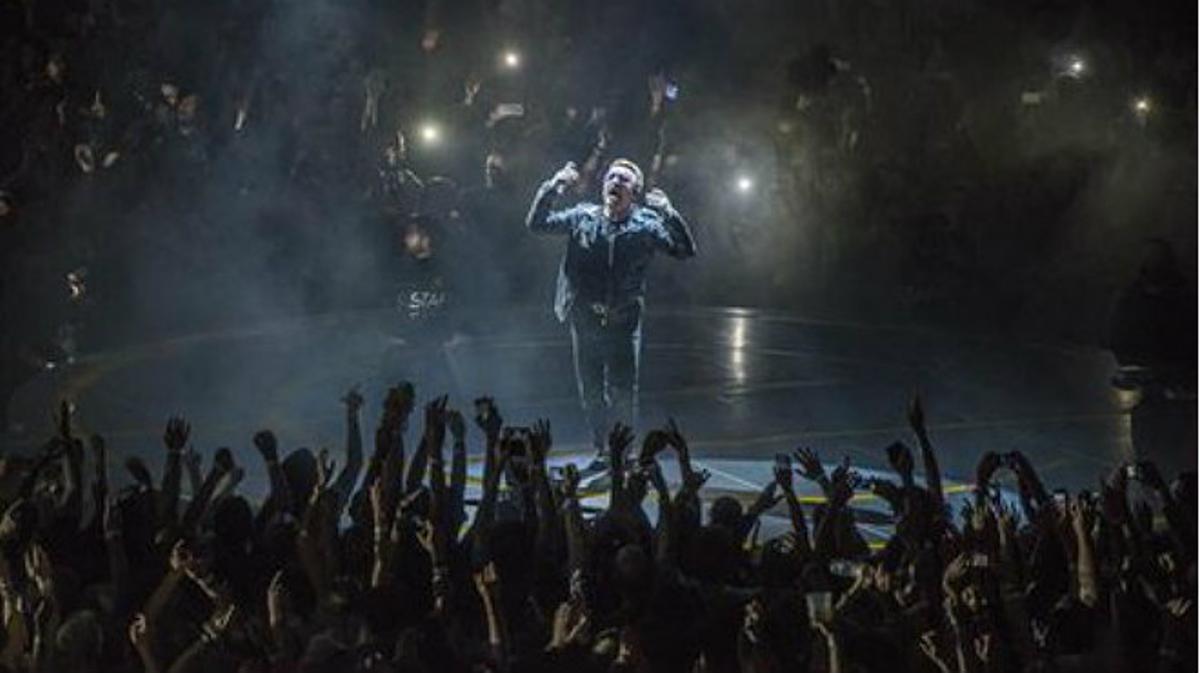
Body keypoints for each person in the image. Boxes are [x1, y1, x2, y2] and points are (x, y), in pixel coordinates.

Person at [526, 158, 696, 472]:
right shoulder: (582, 216)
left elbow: (685, 250)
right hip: (585, 317)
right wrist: (555, 186)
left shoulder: (646, 224)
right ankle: (602, 447)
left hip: (624, 318)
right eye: (611, 177)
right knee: (591, 390)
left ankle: (623, 450)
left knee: (621, 390)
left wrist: (670, 213)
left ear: (635, 191)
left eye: (624, 180)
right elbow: (537, 223)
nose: (615, 182)